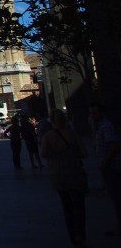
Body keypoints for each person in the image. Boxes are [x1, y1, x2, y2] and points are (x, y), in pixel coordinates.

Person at [39, 109, 87, 247]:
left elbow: (43, 153)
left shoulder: (48, 136)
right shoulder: (72, 134)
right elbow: (84, 152)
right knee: (79, 205)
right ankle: (81, 234)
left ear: (51, 121)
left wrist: (56, 156)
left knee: (67, 206)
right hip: (75, 172)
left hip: (58, 172)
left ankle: (72, 236)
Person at [89, 102, 121, 238]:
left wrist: (105, 163)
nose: (92, 116)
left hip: (111, 166)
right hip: (107, 166)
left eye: (95, 113)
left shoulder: (106, 127)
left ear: (103, 113)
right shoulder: (100, 126)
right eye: (91, 113)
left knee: (117, 197)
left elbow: (113, 146)